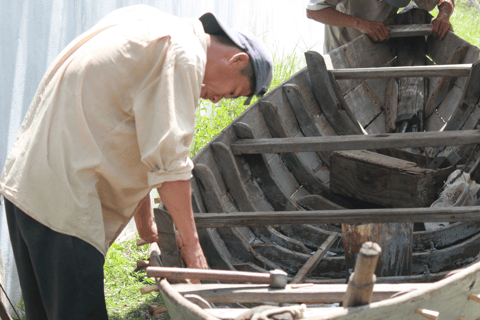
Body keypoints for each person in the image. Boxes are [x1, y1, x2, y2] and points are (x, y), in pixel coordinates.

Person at [0, 5, 272, 320]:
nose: (216, 99)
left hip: (27, 185)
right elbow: (170, 163)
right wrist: (193, 251)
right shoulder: (183, 55)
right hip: (64, 205)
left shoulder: (148, 22)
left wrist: (145, 226)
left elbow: (142, 138)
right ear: (237, 60)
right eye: (232, 92)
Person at [306, 0, 455, 53]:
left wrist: (443, 16)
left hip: (377, 45)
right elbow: (313, 11)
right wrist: (360, 24)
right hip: (342, 45)